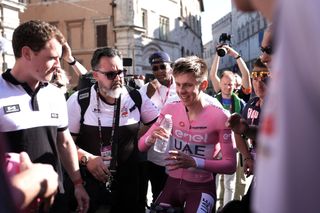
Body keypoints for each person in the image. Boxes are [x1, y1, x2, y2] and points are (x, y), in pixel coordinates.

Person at [0, 20, 89, 213]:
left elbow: (64, 143)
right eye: (52, 58)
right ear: (26, 53)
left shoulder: (56, 94)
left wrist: (78, 183)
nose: (58, 65)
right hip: (14, 202)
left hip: (56, 198)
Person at [66, 47, 159, 213]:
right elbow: (65, 143)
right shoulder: (79, 101)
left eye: (121, 72)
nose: (118, 78)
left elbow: (156, 123)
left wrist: (138, 141)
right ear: (95, 75)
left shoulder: (136, 97)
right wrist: (87, 159)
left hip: (129, 182)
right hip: (91, 183)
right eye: (110, 74)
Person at [138, 56, 237, 213]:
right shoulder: (170, 108)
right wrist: (151, 137)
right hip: (172, 183)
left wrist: (195, 162)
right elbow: (141, 146)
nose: (181, 91)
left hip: (201, 186)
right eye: (178, 84)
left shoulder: (220, 116)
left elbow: (230, 165)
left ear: (203, 85)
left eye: (188, 85)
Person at [224, 58, 270, 213]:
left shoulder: (284, 105)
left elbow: (274, 137)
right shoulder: (251, 104)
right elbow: (239, 131)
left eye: (264, 76)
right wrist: (248, 157)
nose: (258, 82)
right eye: (255, 76)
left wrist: (247, 130)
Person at [138, 51, 178, 210]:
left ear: (171, 67)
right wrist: (147, 95)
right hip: (153, 154)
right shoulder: (147, 89)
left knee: (174, 198)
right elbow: (136, 115)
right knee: (157, 195)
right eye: (155, 68)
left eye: (163, 66)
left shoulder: (180, 86)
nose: (159, 71)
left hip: (175, 153)